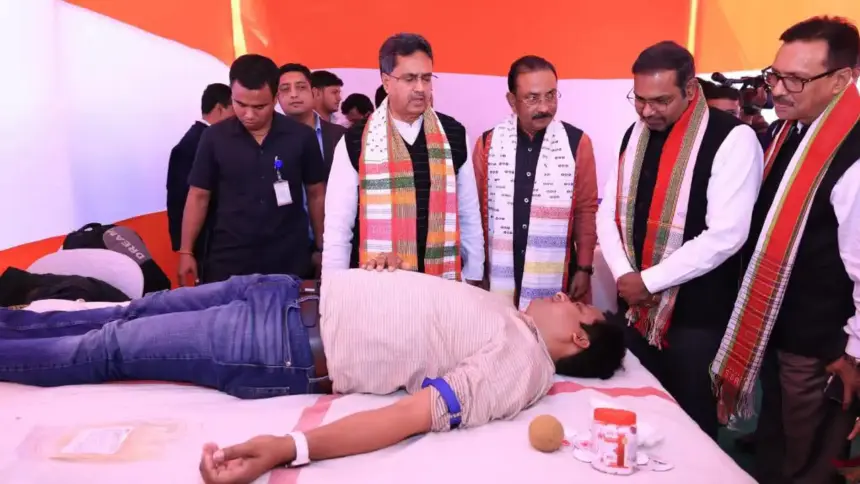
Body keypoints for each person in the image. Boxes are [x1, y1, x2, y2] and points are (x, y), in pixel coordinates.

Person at [0, 261, 626, 483]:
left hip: (281, 342)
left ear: (578, 336)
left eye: (577, 304)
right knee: (128, 311)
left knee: (111, 346)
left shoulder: (522, 366)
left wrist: (289, 447)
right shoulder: (510, 318)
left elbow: (411, 415)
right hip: (284, 292)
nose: (563, 295)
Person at [709, 16, 860, 484]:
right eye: (775, 75)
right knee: (773, 446)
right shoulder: (787, 132)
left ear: (841, 80)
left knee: (805, 458)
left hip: (819, 345)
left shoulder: (853, 154)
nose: (777, 89)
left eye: (796, 79)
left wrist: (854, 353)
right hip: (775, 326)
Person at [595, 41, 763, 440]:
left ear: (690, 90)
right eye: (639, 99)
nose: (647, 111)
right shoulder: (634, 135)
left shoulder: (732, 138)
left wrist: (648, 281)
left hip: (697, 315)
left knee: (691, 423)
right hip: (637, 309)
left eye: (660, 100)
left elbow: (727, 234)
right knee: (634, 412)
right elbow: (607, 212)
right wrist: (624, 276)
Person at [323, 33, 484, 282]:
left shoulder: (453, 134)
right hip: (377, 284)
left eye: (426, 78)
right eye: (410, 79)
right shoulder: (356, 140)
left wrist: (474, 274)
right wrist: (334, 286)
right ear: (386, 82)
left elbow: (468, 212)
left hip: (441, 282)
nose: (420, 88)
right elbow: (338, 226)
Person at [178, 55, 327, 285]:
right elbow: (198, 195)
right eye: (240, 104)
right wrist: (186, 251)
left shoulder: (301, 137)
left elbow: (317, 194)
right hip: (229, 261)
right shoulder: (213, 138)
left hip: (288, 260)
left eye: (259, 107)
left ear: (275, 98)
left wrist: (321, 247)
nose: (249, 115)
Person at [473, 56, 598, 309]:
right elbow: (474, 214)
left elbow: (586, 210)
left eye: (551, 95)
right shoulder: (488, 144)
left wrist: (584, 268)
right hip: (499, 270)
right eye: (532, 98)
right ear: (512, 101)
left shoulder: (577, 143)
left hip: (558, 273)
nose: (545, 107)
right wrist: (476, 268)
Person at [166, 83, 233, 258]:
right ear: (220, 109)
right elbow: (179, 198)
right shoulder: (190, 145)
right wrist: (186, 249)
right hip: (207, 243)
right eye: (235, 108)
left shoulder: (211, 140)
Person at [277, 63, 346, 179]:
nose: (294, 95)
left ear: (313, 93)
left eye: (301, 87)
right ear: (277, 97)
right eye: (285, 89)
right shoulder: (271, 137)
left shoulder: (340, 134)